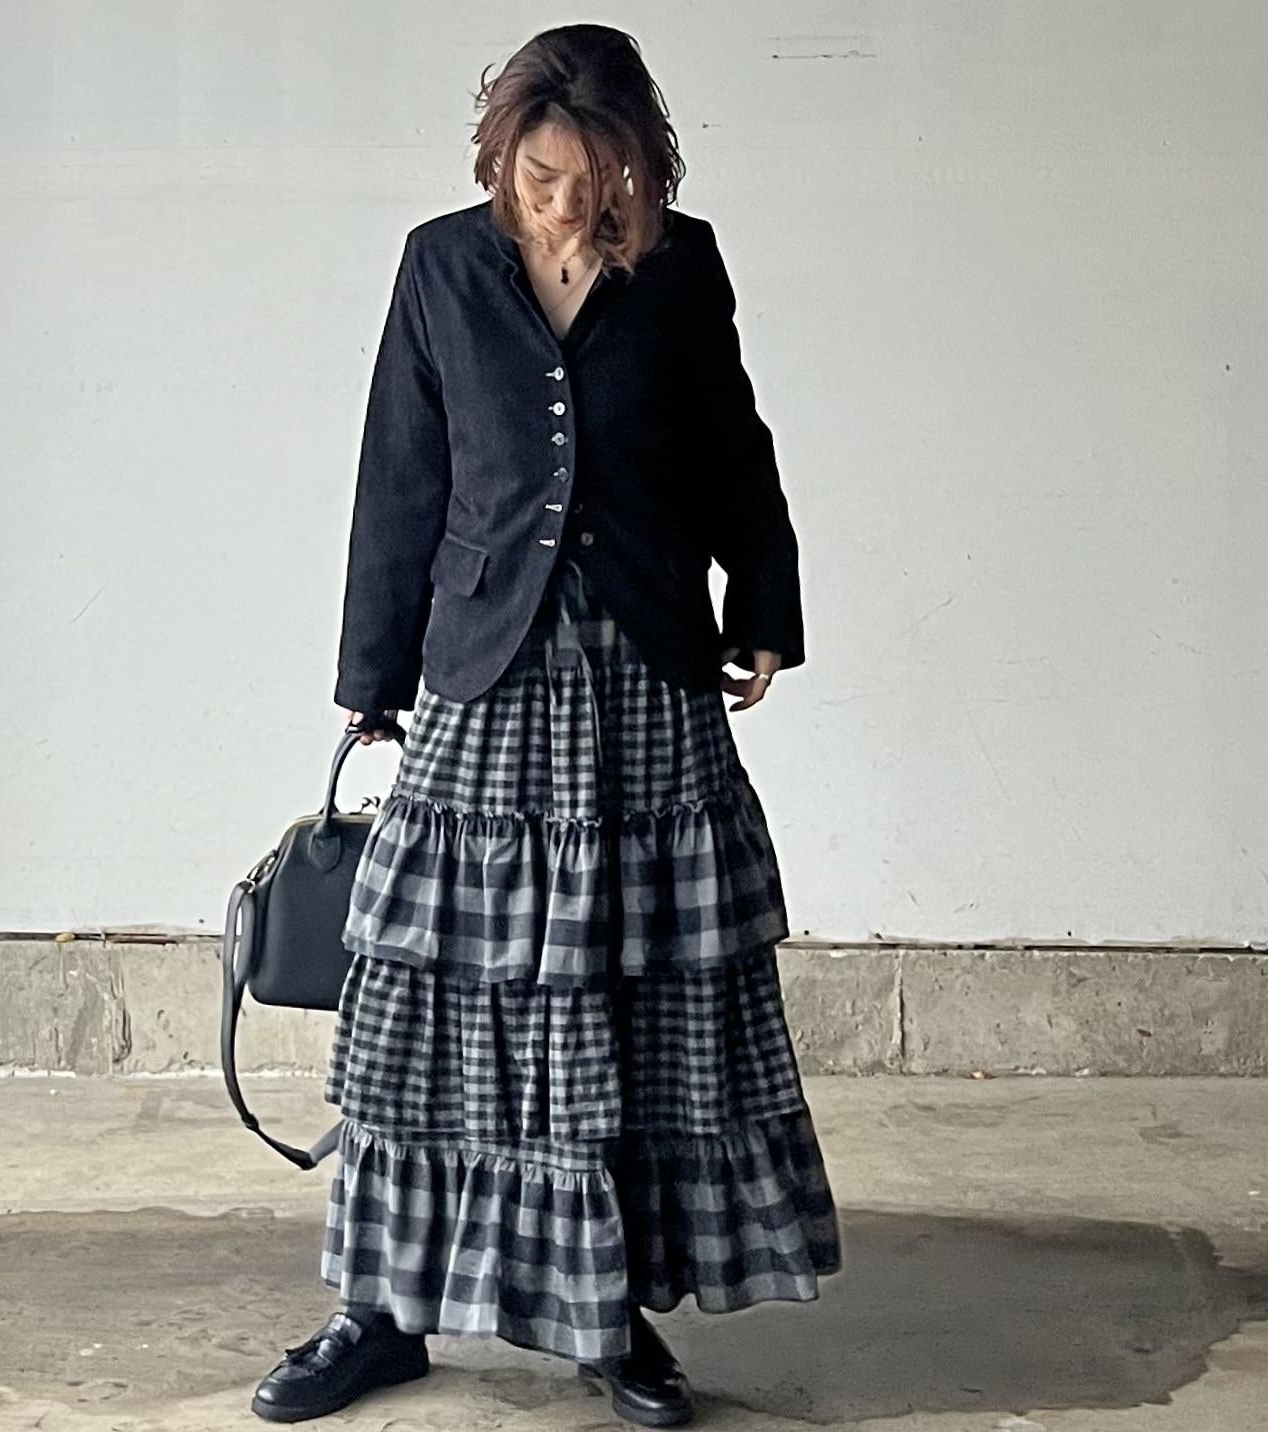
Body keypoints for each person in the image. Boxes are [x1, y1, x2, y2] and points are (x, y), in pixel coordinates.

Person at [251, 22, 842, 1427]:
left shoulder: (682, 267)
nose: (569, 205)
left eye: (597, 179)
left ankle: (610, 1317)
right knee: (429, 999)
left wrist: (764, 602)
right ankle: (380, 1313)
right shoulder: (440, 267)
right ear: (500, 161)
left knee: (639, 1004)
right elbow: (401, 469)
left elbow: (733, 444)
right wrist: (371, 668)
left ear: (641, 164)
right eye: (541, 179)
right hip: (486, 665)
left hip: (647, 667)